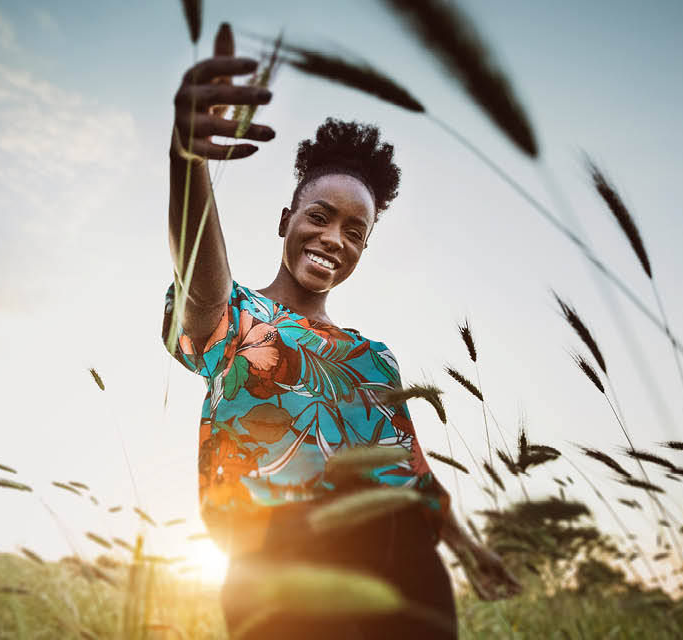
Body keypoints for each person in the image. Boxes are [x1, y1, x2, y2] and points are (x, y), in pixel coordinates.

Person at [162, 23, 521, 639]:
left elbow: (405, 466)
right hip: (274, 562)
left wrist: (463, 547)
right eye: (320, 217)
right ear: (286, 220)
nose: (334, 239)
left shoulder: (373, 358)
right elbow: (199, 281)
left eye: (356, 232)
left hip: (401, 564)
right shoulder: (235, 316)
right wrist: (186, 157)